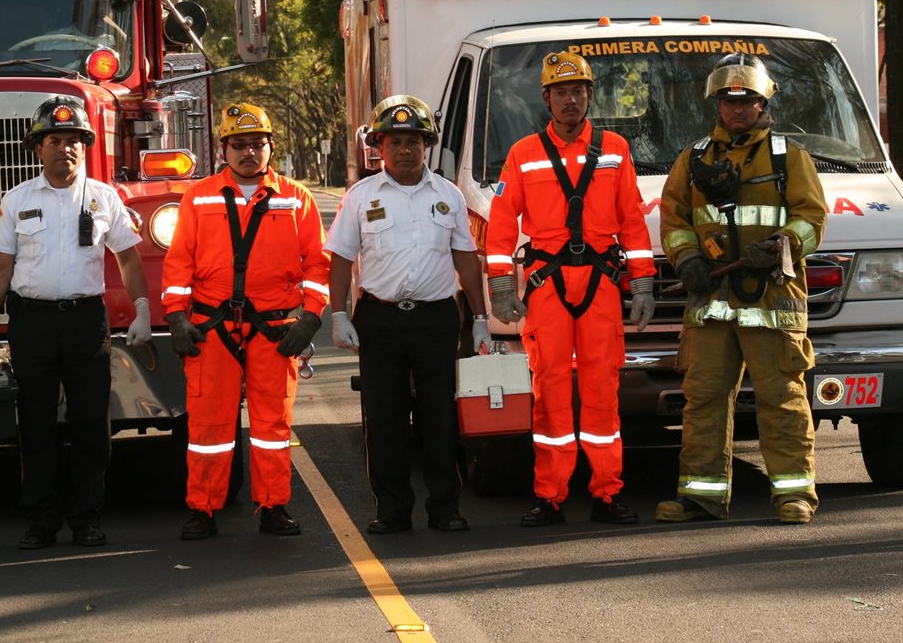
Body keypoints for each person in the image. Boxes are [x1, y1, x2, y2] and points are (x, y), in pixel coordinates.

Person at [0, 95, 152, 549]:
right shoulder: (16, 201)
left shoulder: (104, 198)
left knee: (92, 425)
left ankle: (87, 519)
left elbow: (128, 259)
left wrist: (143, 309)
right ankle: (40, 522)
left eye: (74, 141)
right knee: (35, 427)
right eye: (55, 140)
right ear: (38, 148)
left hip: (86, 323)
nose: (65, 149)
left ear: (85, 147)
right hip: (31, 323)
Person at [486, 51, 655, 527]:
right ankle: (550, 495)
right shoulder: (523, 154)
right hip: (547, 286)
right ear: (546, 98)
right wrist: (501, 286)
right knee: (550, 391)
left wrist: (641, 284)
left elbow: (632, 224)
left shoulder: (616, 149)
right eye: (561, 92)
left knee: (602, 390)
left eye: (578, 91)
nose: (570, 100)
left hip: (600, 284)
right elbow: (501, 226)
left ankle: (607, 494)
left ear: (590, 96)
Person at [656, 53, 826, 524]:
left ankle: (794, 495)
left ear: (762, 100)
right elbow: (675, 219)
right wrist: (686, 257)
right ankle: (700, 496)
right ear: (717, 104)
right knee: (704, 398)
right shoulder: (692, 159)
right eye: (729, 101)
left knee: (782, 397)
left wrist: (782, 244)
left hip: (771, 299)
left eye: (746, 100)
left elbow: (812, 218)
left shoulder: (789, 156)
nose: (737, 109)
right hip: (711, 301)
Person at [161, 102, 329, 540]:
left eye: (257, 144)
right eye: (239, 144)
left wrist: (310, 319)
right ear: (224, 149)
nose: (249, 153)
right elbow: (179, 263)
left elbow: (318, 264)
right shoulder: (198, 197)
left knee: (273, 426)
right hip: (210, 327)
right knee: (207, 427)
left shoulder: (296, 197)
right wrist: (177, 320)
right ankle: (203, 509)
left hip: (274, 330)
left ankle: (274, 506)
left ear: (272, 146)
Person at [326, 95, 489, 534]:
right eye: (394, 141)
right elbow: (341, 259)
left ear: (426, 146)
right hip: (379, 321)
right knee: (385, 420)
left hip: (437, 319)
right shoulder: (360, 197)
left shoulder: (449, 195)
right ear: (379, 147)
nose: (404, 150)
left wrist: (479, 319)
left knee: (440, 417)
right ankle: (392, 510)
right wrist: (338, 314)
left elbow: (466, 259)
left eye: (413, 141)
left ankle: (445, 508)